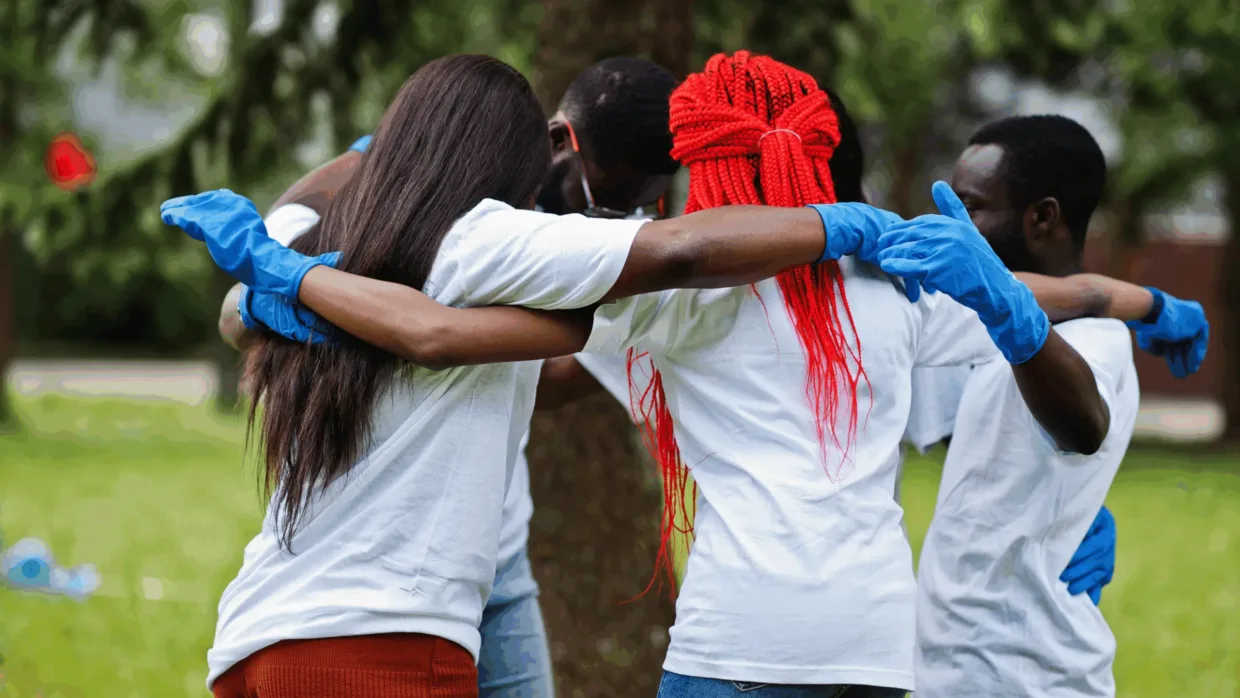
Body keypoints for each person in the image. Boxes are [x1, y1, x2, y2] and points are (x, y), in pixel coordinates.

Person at [175, 51, 1123, 697]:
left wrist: (300, 289)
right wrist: (1046, 304)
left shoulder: (655, 294)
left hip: (737, 638)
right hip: (877, 648)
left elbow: (531, 341)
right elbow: (1079, 405)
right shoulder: (896, 292)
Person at [214, 57, 681, 698]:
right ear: (554, 144)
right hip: (386, 610)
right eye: (601, 192)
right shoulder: (476, 238)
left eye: (639, 203)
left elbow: (469, 353)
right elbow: (242, 309)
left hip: (368, 591)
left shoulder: (345, 236)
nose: (607, 216)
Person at [910, 115, 1209, 698]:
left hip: (1029, 673)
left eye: (970, 208)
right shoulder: (968, 321)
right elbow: (955, 435)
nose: (954, 227)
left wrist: (1010, 312)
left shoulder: (1096, 338)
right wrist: (1067, 506)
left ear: (1042, 217)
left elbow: (1083, 424)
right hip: (948, 668)